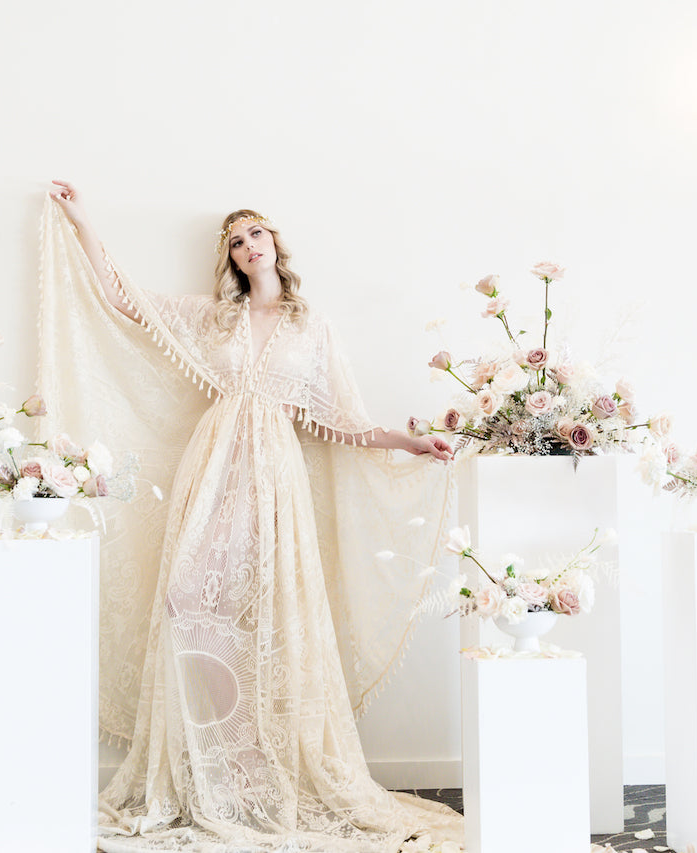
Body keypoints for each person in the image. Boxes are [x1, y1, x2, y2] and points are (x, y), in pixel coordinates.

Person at [46, 180, 464, 852]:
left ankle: (260, 772)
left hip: (274, 477)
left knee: (269, 614)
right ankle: (215, 765)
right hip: (212, 468)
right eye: (236, 242)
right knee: (189, 603)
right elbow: (124, 299)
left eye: (255, 234)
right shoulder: (213, 318)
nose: (247, 247)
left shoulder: (309, 325)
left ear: (275, 243)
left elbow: (343, 419)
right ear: (232, 258)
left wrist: (409, 442)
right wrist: (81, 218)